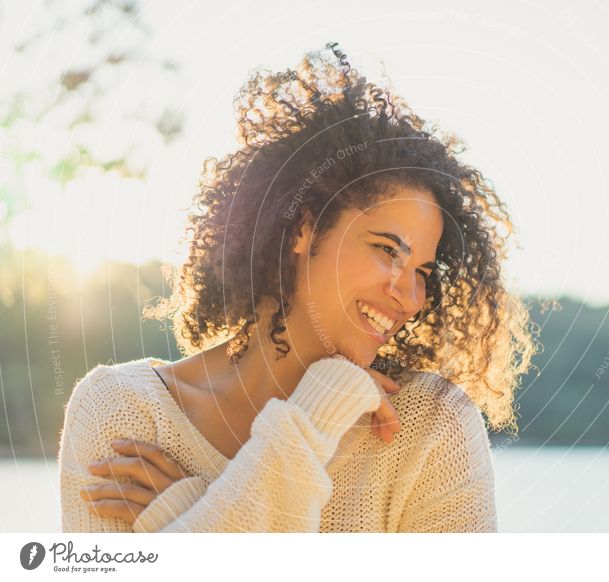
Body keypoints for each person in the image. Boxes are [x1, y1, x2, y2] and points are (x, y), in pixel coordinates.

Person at [57, 42, 538, 533]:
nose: (409, 297)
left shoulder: (430, 427)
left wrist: (184, 518)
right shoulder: (123, 410)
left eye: (422, 271)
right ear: (304, 228)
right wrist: (316, 413)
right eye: (388, 250)